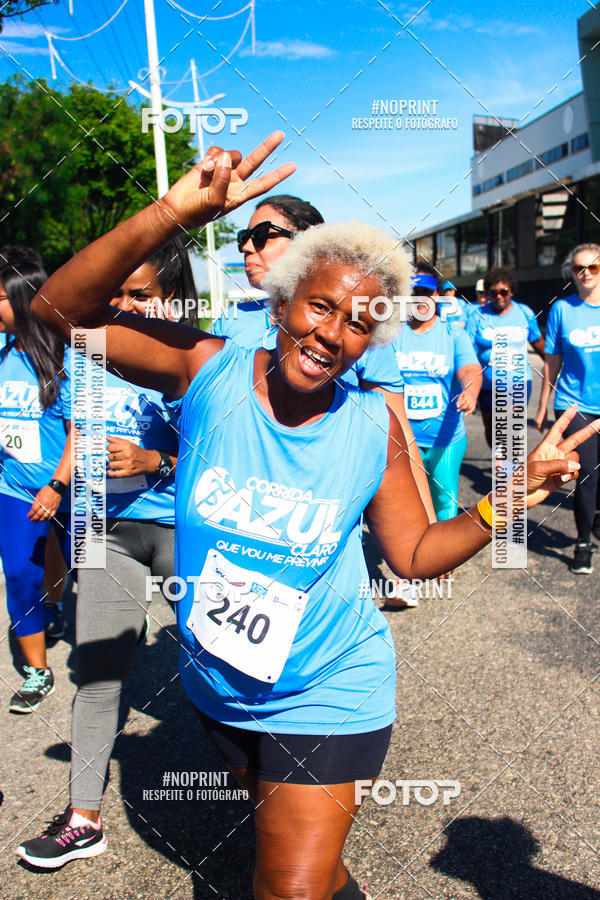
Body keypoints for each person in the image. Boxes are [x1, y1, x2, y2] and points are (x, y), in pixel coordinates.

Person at [18, 133, 595, 898]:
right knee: (310, 869)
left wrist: (504, 503)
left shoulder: (371, 428)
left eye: (357, 322)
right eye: (320, 305)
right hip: (219, 686)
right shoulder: (209, 370)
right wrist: (171, 213)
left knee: (286, 885)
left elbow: (413, 554)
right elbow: (57, 309)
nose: (331, 332)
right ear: (282, 301)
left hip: (329, 684)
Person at [15, 240, 192, 868]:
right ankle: (82, 820)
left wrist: (156, 459)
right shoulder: (85, 352)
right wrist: (65, 486)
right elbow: (76, 432)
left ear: (172, 297)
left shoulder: (198, 355)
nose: (123, 305)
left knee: (227, 667)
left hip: (183, 529)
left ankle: (277, 797)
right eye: (115, 294)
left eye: (140, 295)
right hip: (106, 528)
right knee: (96, 674)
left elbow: (229, 454)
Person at [213, 194, 437, 522]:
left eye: (260, 236)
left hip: (322, 524)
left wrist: (426, 523)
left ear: (305, 241)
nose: (247, 247)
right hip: (234, 519)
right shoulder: (229, 323)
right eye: (243, 238)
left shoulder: (359, 324)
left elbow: (398, 434)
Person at [0, 247, 71, 713]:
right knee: (20, 574)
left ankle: (66, 608)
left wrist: (57, 486)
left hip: (68, 489)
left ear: (22, 299)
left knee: (83, 568)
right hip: (12, 487)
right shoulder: (1, 353)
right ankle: (37, 672)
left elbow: (80, 431)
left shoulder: (65, 357)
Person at [393, 275, 482, 520]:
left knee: (444, 501)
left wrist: (470, 391)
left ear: (437, 296)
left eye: (427, 292)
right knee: (408, 503)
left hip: (445, 438)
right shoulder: (394, 335)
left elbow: (469, 368)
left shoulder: (453, 333)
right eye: (414, 293)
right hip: (405, 439)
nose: (420, 299)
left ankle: (443, 544)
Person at [535, 243, 600, 574]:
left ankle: (595, 515)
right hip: (575, 404)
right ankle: (583, 543)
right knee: (587, 473)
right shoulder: (562, 309)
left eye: (593, 267)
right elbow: (552, 361)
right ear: (571, 272)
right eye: (579, 268)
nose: (586, 273)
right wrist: (543, 404)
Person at [467, 268, 545, 447]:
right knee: (491, 429)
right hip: (487, 385)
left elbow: (538, 342)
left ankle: (509, 459)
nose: (499, 296)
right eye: (493, 293)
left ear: (511, 291)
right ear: (488, 294)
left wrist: (555, 365)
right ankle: (501, 456)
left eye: (503, 292)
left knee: (506, 423)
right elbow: (468, 352)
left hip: (518, 382)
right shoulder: (477, 316)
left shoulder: (524, 313)